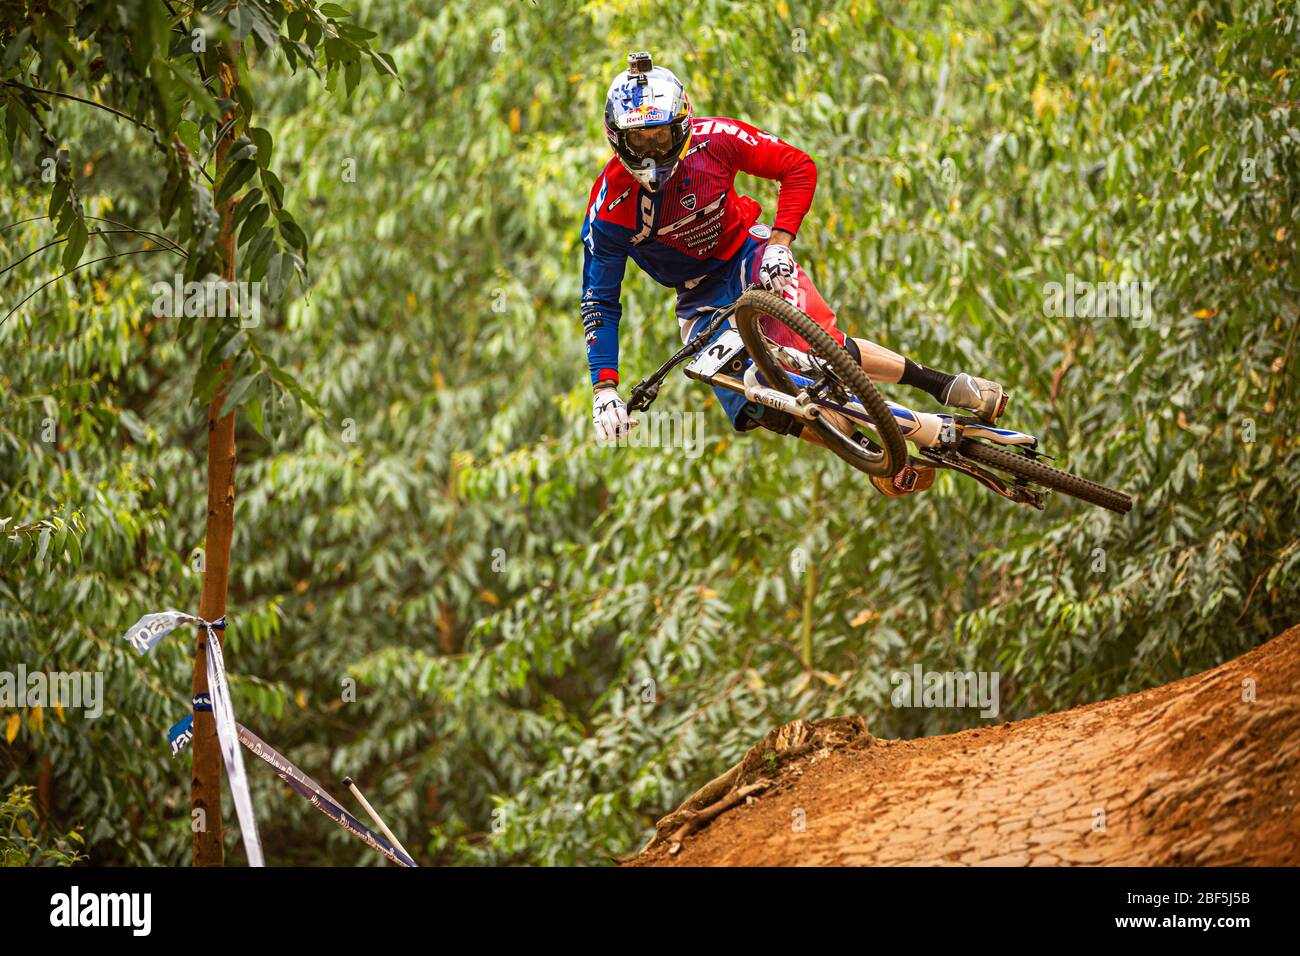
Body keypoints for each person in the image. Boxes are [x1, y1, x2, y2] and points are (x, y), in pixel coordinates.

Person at [581, 52, 1008, 496]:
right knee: (761, 405)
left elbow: (797, 166)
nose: (654, 153)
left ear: (683, 125)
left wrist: (779, 245)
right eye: (641, 143)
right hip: (698, 298)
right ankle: (871, 450)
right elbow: (600, 300)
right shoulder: (609, 210)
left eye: (662, 137)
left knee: (821, 352)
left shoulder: (718, 138)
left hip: (751, 253)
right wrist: (604, 388)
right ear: (618, 140)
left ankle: (942, 385)